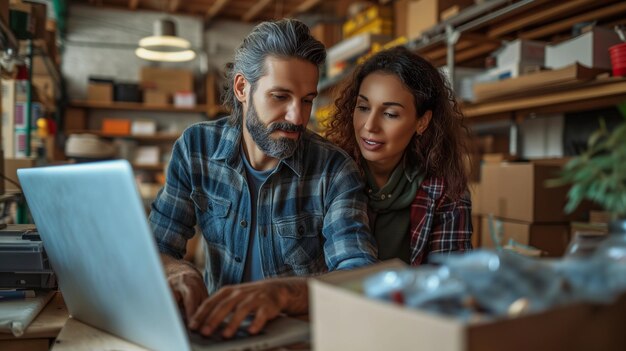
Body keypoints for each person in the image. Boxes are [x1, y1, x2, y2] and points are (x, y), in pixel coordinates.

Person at [148, 19, 377, 338]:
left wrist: (283, 293)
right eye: (280, 96)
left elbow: (360, 277)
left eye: (307, 100)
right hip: (216, 334)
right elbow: (156, 246)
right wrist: (178, 271)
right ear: (243, 88)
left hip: (301, 339)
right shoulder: (195, 148)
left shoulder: (334, 170)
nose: (297, 116)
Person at [326, 46, 473, 266]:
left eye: (390, 114)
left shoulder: (447, 192)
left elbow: (447, 282)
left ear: (421, 122)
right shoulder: (328, 173)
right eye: (363, 107)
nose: (370, 125)